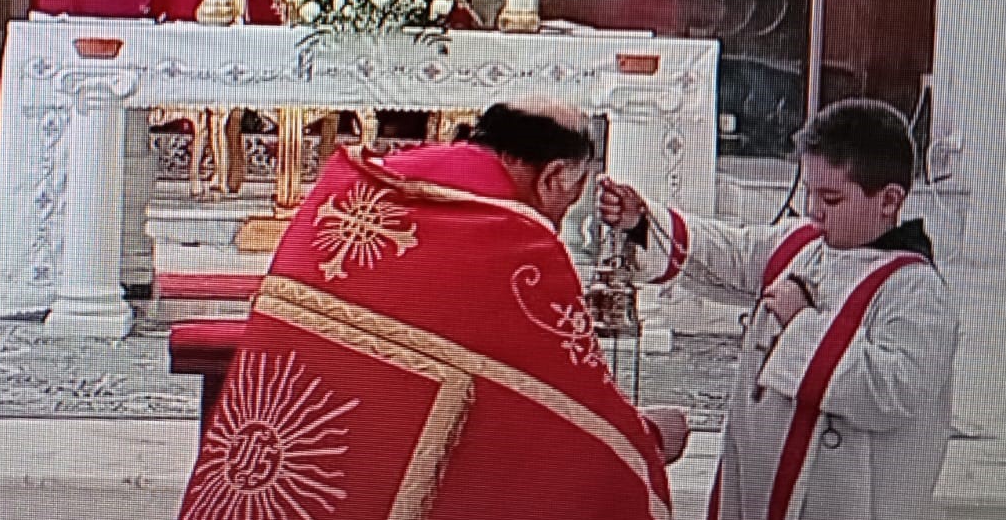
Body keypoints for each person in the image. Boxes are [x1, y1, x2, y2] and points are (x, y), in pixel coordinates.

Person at [176, 100, 688, 520]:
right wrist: (645, 440)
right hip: (361, 448)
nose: (560, 215)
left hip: (285, 460)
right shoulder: (521, 243)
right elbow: (578, 403)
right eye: (571, 197)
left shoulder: (360, 181)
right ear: (553, 176)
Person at [597, 98, 959, 520]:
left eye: (830, 198)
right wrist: (642, 222)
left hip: (844, 500)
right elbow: (730, 252)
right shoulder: (803, 245)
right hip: (758, 481)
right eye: (808, 191)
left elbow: (890, 392)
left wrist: (801, 323)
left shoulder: (917, 291)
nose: (812, 210)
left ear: (889, 200)